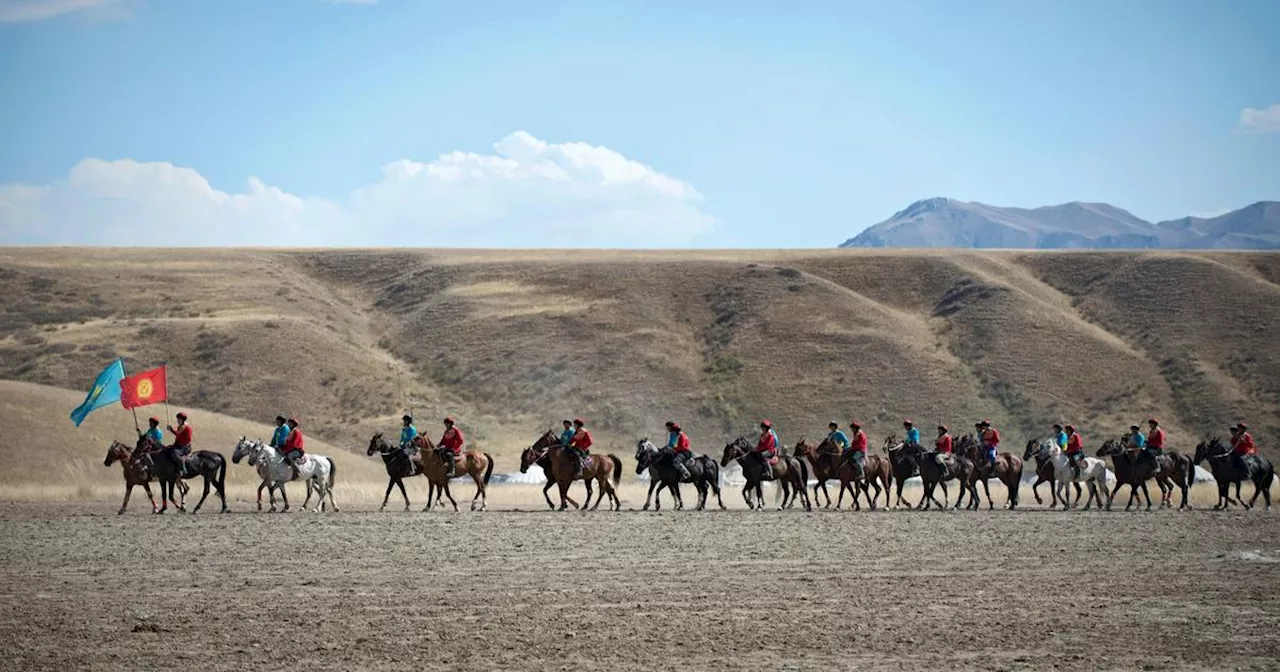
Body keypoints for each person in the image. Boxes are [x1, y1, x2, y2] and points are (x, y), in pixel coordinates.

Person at [165, 412, 193, 477]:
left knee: (175, 453)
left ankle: (183, 468)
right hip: (179, 446)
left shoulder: (186, 427)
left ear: (183, 420)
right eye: (177, 419)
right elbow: (178, 436)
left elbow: (179, 435)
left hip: (185, 447)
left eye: (179, 419)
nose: (178, 421)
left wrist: (171, 430)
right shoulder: (180, 427)